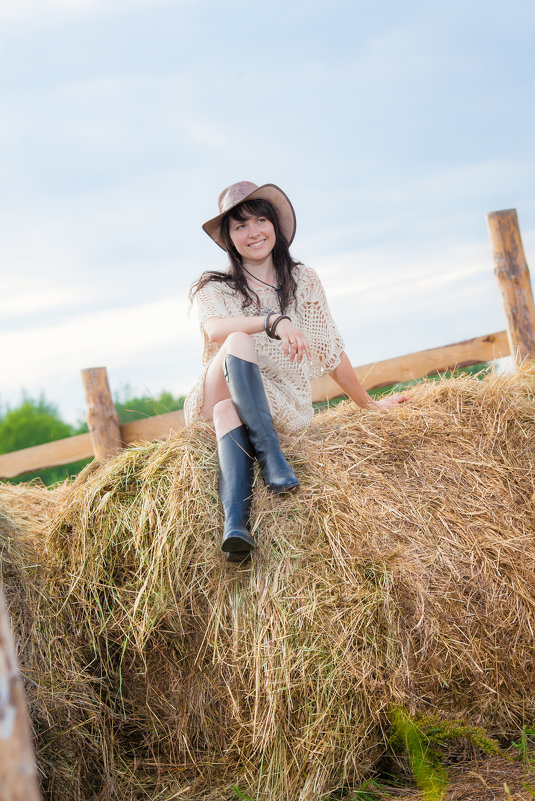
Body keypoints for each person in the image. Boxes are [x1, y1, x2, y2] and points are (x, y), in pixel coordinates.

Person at [185, 181, 407, 562]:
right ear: (229, 239)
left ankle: (235, 526)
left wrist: (368, 404)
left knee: (229, 414)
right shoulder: (213, 286)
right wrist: (274, 320)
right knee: (237, 342)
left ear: (274, 224)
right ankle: (272, 458)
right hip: (217, 389)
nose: (253, 231)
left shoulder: (304, 280)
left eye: (259, 220)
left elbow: (329, 349)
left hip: (278, 400)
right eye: (240, 226)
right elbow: (215, 330)